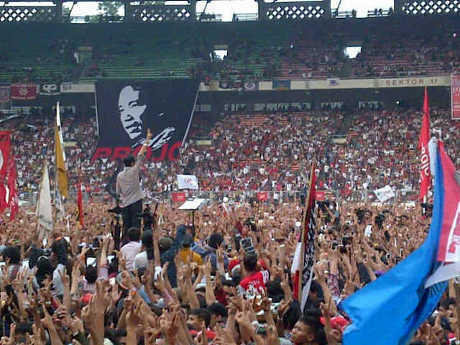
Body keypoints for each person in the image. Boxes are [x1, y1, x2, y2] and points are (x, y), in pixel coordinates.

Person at [116, 128, 152, 237]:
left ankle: (126, 243)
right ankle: (135, 243)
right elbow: (141, 154)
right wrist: (147, 139)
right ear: (132, 163)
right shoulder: (134, 170)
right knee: (136, 225)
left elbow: (118, 192)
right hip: (136, 202)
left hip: (125, 204)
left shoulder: (119, 175)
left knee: (126, 226)